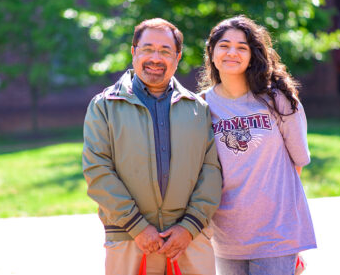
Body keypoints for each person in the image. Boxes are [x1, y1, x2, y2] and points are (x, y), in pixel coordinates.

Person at [82, 18, 223, 275]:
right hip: (127, 237)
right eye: (147, 49)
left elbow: (211, 171)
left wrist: (189, 227)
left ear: (177, 57)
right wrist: (137, 227)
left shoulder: (198, 109)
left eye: (165, 51)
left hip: (188, 241)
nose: (155, 58)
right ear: (134, 52)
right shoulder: (104, 106)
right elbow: (97, 171)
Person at [198, 15, 317, 275]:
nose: (232, 52)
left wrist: (286, 234)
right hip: (226, 234)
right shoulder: (199, 106)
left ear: (253, 55)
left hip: (276, 233)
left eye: (242, 47)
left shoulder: (278, 99)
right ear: (212, 52)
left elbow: (297, 163)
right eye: (224, 45)